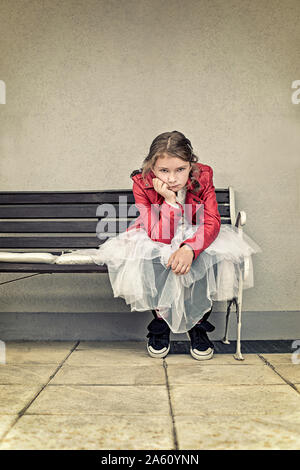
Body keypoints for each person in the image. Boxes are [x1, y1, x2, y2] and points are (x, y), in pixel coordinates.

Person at [65, 130, 262, 361]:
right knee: (154, 256)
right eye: (164, 171)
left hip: (197, 232)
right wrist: (169, 202)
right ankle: (161, 323)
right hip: (157, 232)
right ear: (152, 167)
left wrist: (190, 248)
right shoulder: (141, 183)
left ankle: (198, 324)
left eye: (180, 169)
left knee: (211, 256)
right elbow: (160, 236)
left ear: (191, 165)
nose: (172, 178)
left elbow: (211, 221)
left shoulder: (204, 176)